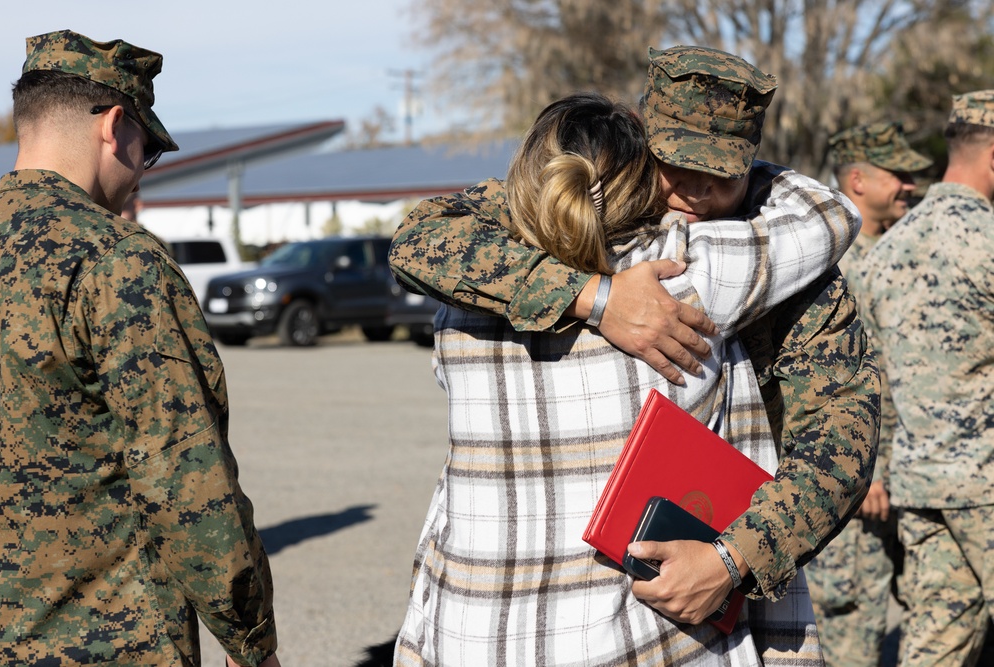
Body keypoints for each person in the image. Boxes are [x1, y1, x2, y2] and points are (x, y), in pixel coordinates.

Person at [390, 43, 879, 625]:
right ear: (643, 142)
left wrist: (734, 559)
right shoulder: (589, 202)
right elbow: (422, 238)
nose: (697, 194)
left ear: (752, 163)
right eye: (678, 165)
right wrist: (595, 296)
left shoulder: (785, 256)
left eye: (723, 175)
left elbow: (842, 429)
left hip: (713, 552)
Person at [0, 30, 279, 667]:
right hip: (109, 642)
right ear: (115, 126)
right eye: (146, 152)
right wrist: (249, 638)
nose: (137, 175)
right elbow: (186, 478)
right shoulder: (116, 260)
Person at [858, 90, 994, 667]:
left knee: (934, 644)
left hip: (921, 486)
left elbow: (873, 379)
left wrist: (881, 469)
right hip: (987, 483)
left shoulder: (885, 252)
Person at [803, 122, 931, 667]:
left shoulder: (905, 250)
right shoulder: (830, 262)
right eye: (898, 174)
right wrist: (867, 468)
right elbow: (831, 376)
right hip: (863, 483)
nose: (911, 185)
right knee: (852, 628)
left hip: (919, 472)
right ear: (858, 179)